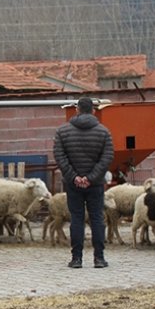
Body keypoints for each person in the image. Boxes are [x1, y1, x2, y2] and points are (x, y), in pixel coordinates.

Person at [53, 97, 114, 269]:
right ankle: (99, 258)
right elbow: (107, 157)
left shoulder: (62, 132)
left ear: (77, 110)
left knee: (77, 219)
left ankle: (77, 259)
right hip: (95, 185)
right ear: (93, 111)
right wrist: (91, 178)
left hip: (73, 184)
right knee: (96, 218)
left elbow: (60, 156)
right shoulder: (103, 132)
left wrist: (74, 177)